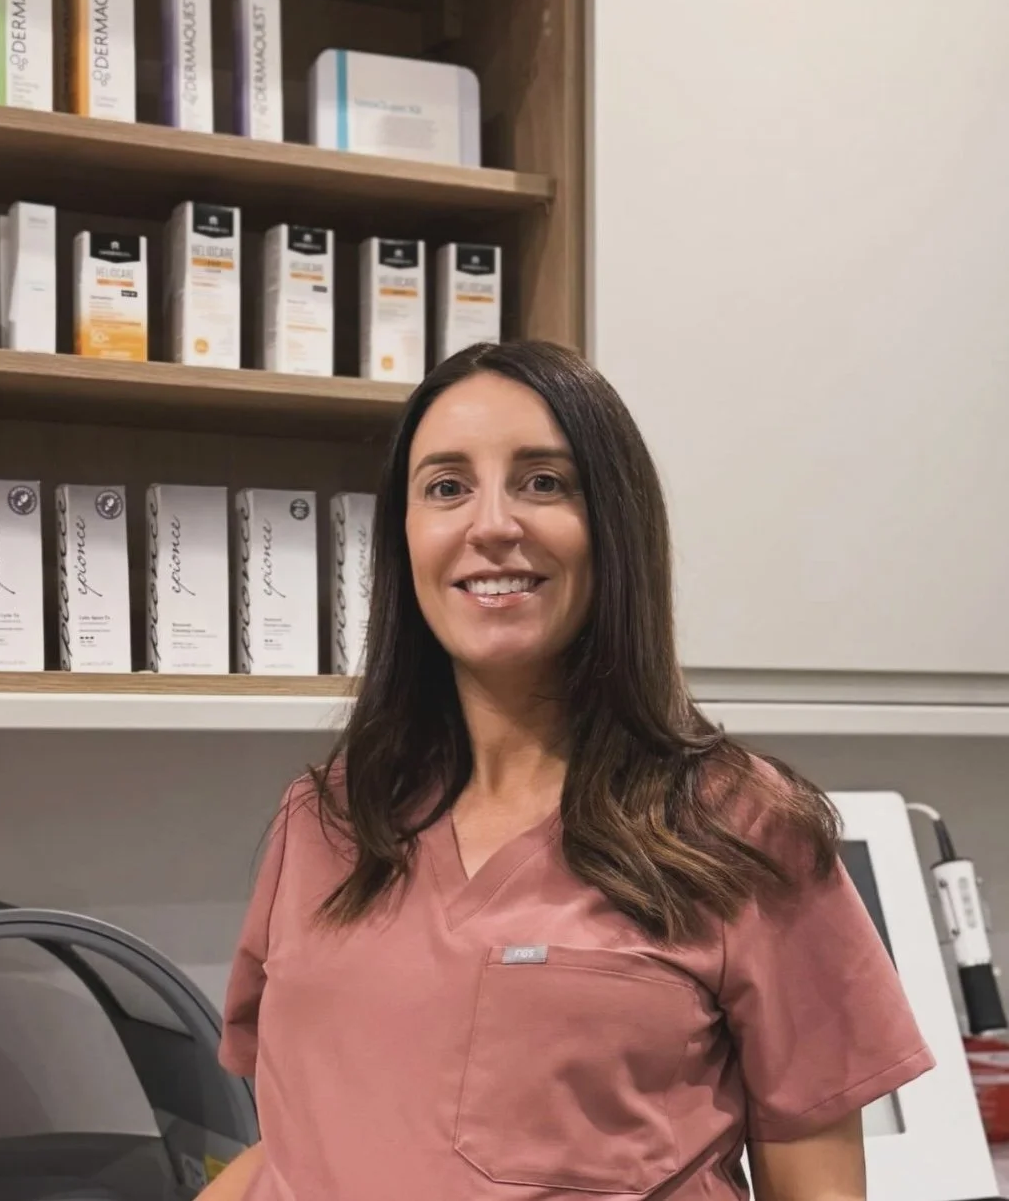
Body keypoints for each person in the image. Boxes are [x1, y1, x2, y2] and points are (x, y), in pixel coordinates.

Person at [204, 340, 933, 1201]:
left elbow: (817, 1191)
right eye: (446, 487)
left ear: (613, 524)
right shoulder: (326, 817)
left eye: (543, 482)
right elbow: (297, 1151)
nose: (492, 524)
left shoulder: (742, 830)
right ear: (405, 540)